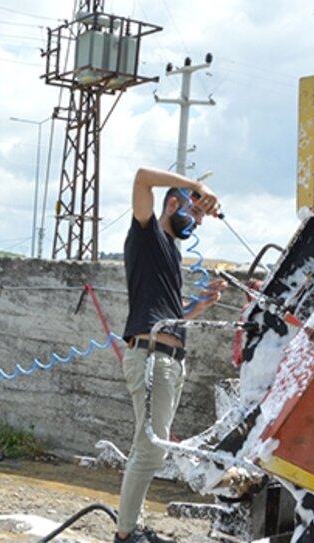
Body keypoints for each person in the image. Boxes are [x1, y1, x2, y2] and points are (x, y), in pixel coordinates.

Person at [115, 167, 227, 543]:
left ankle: (131, 528)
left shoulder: (170, 255)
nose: (198, 221)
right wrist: (197, 186)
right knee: (150, 449)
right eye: (194, 212)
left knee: (152, 448)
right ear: (173, 204)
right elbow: (141, 177)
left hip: (170, 360)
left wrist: (200, 306)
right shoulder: (147, 233)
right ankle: (126, 534)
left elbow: (169, 315)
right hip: (152, 357)